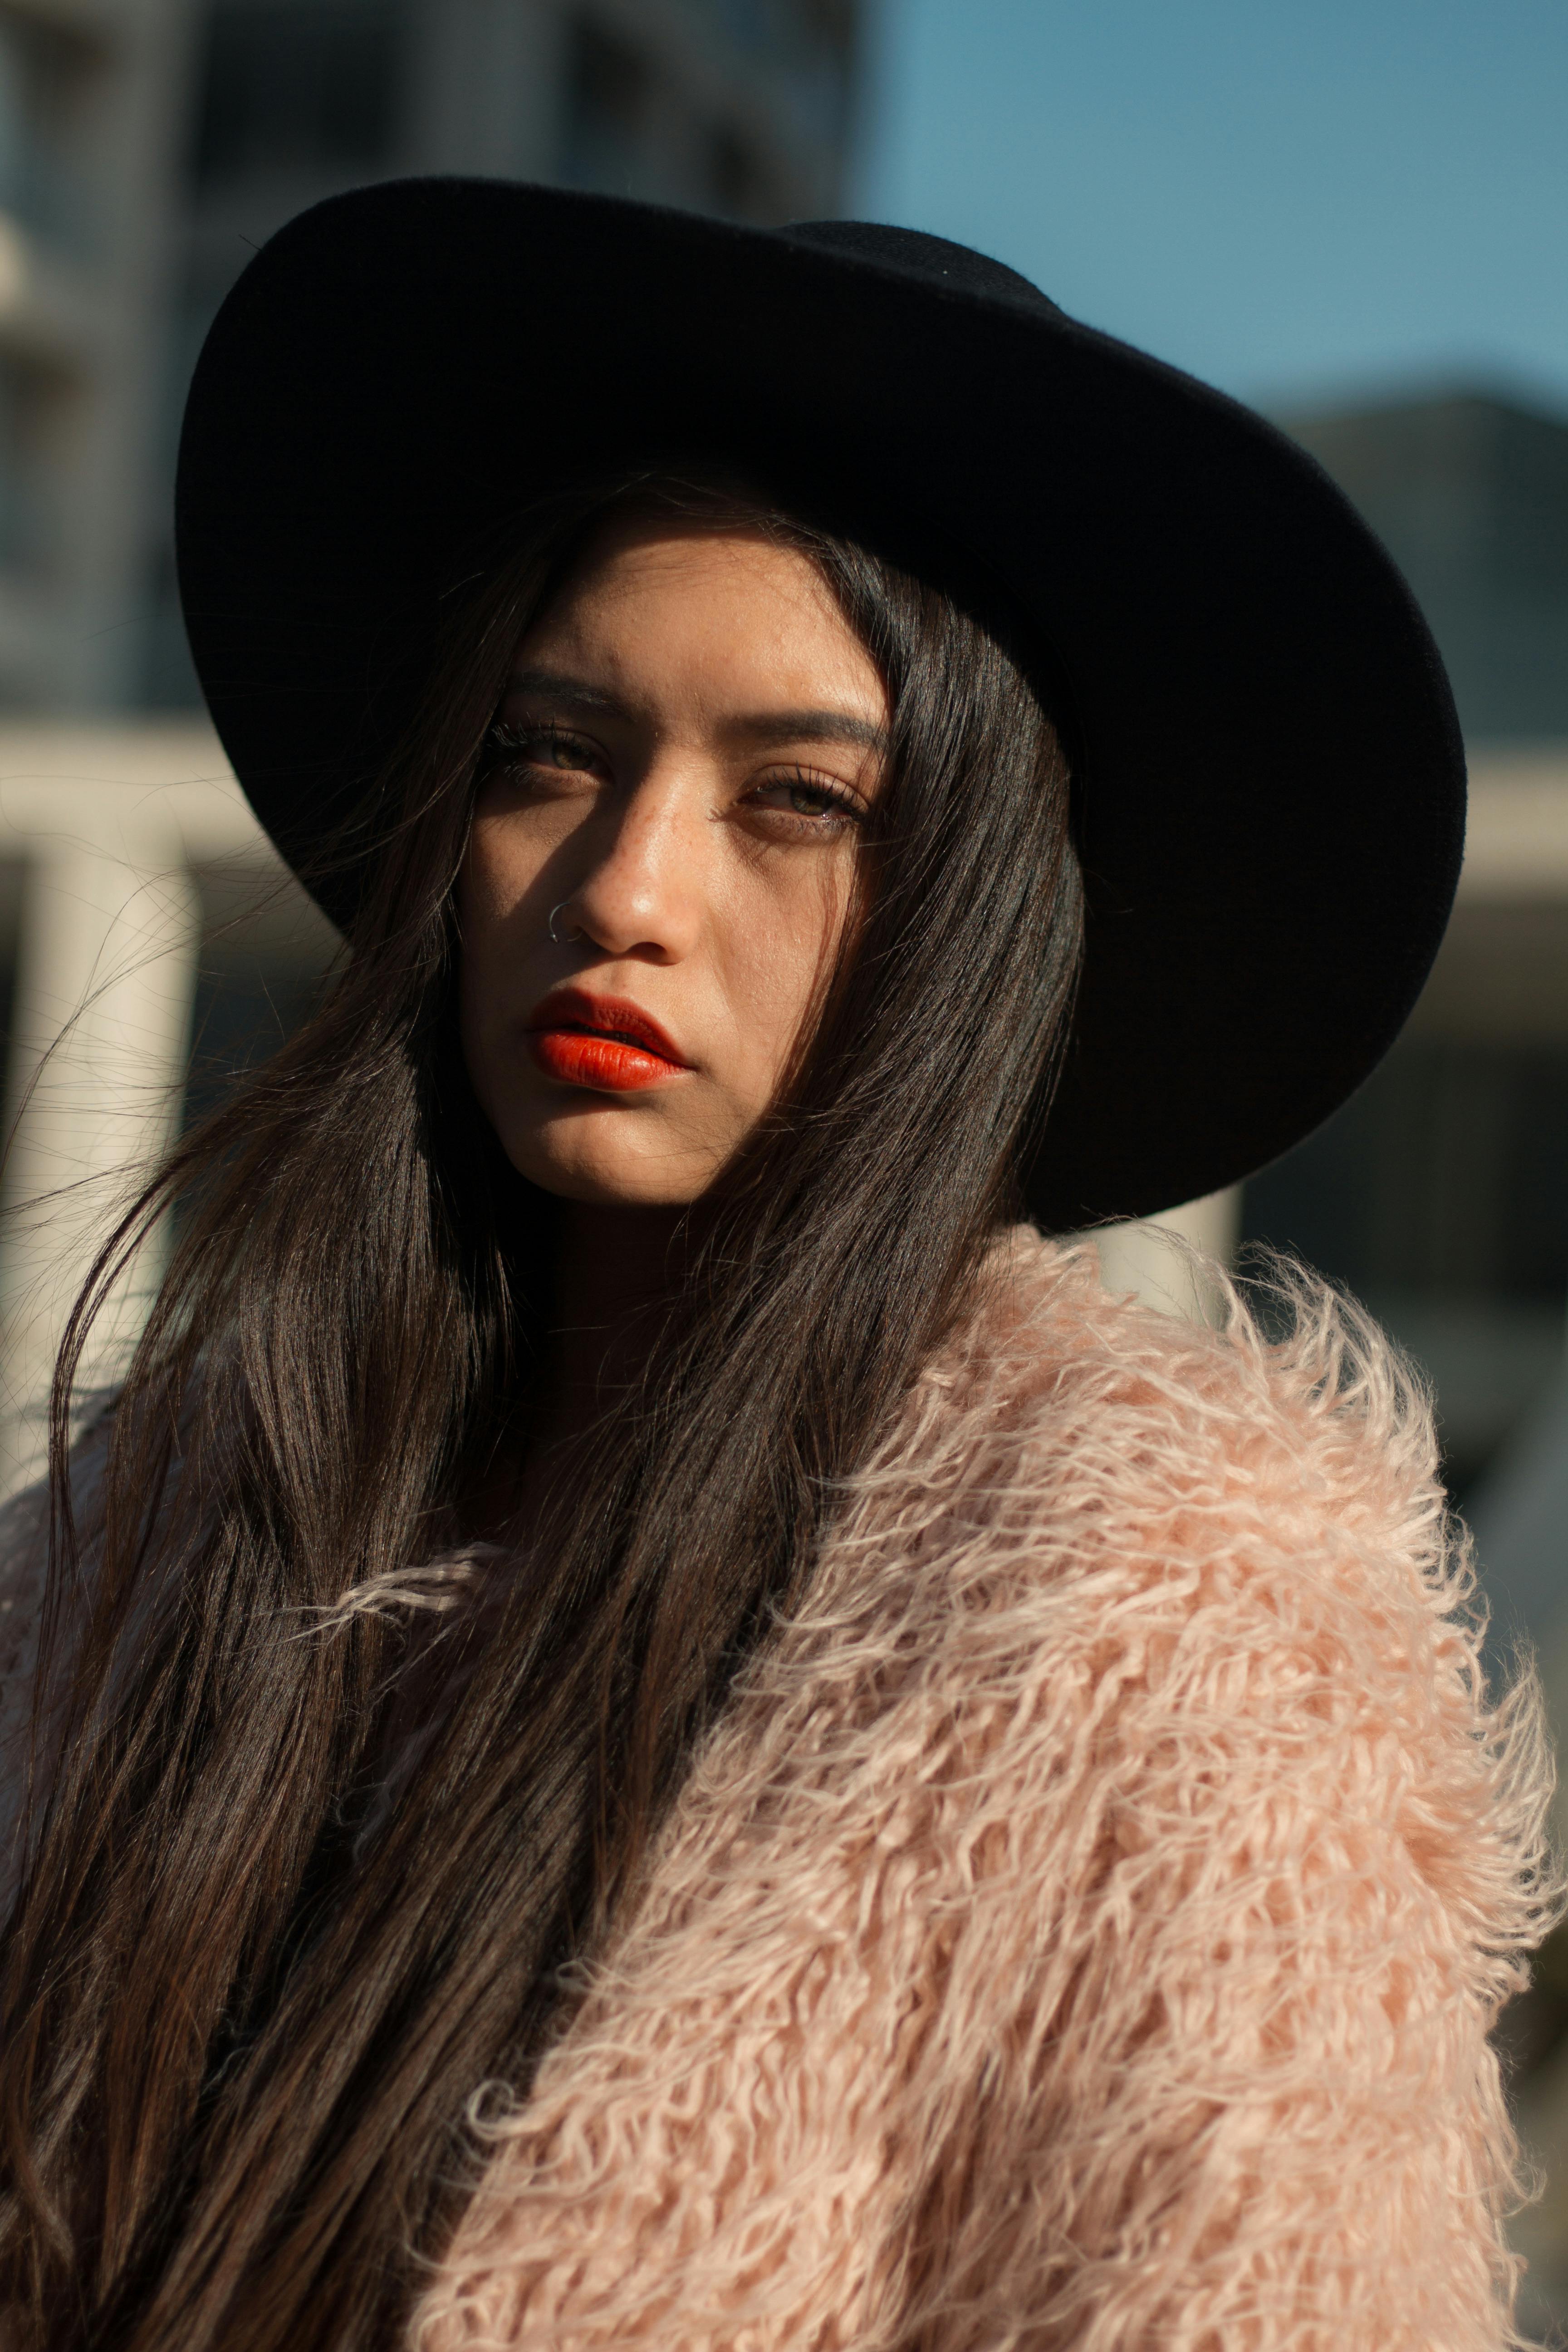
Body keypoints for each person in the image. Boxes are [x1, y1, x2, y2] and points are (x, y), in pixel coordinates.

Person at [0, 183, 1553, 2352]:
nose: (623, 888)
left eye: (798, 800)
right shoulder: (141, 1546)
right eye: (552, 757)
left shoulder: (1160, 1625)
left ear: (973, 913)